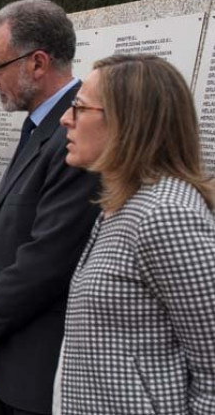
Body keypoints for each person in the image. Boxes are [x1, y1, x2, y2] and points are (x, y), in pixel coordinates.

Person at [0, 0, 100, 415]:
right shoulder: (40, 126)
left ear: (37, 63)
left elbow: (48, 255)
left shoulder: (78, 138)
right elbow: (3, 238)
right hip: (11, 361)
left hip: (40, 369)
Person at [53, 54, 215, 414]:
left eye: (78, 107)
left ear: (127, 122)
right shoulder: (123, 205)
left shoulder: (167, 214)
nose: (65, 119)